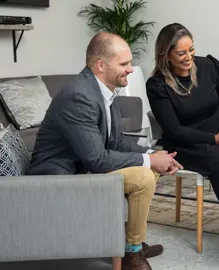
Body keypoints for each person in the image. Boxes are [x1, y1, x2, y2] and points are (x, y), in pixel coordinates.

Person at [28, 32, 183, 270]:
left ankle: (133, 246)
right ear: (101, 65)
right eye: (124, 64)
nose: (131, 69)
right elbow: (97, 160)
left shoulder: (102, 91)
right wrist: (148, 160)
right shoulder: (79, 95)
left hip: (80, 170)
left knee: (149, 170)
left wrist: (154, 154)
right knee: (143, 175)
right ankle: (132, 253)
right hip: (57, 181)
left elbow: (116, 142)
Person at [146, 22, 219, 251]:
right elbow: (174, 129)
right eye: (181, 53)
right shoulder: (157, 85)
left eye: (191, 50)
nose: (188, 57)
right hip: (187, 142)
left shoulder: (209, 66)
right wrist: (214, 139)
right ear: (166, 54)